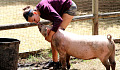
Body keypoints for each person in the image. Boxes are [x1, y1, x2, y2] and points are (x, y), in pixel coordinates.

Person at [23, 0, 77, 69]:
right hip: (60, 11)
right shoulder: (40, 12)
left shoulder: (44, 7)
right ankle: (55, 62)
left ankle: (64, 63)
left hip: (69, 7)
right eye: (33, 22)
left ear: (34, 12)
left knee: (55, 36)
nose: (35, 22)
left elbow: (58, 20)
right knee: (53, 37)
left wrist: (50, 35)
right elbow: (55, 19)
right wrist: (50, 33)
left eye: (34, 20)